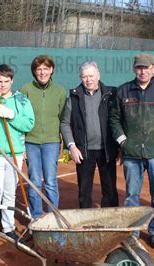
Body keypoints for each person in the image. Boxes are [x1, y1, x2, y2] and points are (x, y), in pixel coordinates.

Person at [110, 53, 154, 249]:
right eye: (139, 67)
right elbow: (114, 119)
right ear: (134, 69)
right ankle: (134, 232)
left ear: (153, 69)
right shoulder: (123, 91)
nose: (143, 71)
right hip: (132, 153)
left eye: (146, 68)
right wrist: (123, 141)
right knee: (132, 195)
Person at [0, 64, 34, 253]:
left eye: (6, 81)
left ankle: (9, 228)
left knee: (10, 193)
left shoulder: (21, 100)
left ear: (11, 81)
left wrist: (11, 116)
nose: (2, 85)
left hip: (15, 153)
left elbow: (28, 124)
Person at [60, 61, 119, 209]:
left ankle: (111, 219)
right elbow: (65, 123)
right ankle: (85, 222)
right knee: (84, 192)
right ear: (80, 78)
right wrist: (72, 146)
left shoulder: (112, 94)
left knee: (110, 190)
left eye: (91, 76)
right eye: (85, 76)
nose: (88, 80)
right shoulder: (74, 97)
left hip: (107, 150)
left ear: (98, 75)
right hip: (83, 151)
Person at [19, 55, 66, 219]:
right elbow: (19, 118)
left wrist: (65, 145)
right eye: (39, 69)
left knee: (51, 181)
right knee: (34, 182)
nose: (42, 72)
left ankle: (53, 216)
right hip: (30, 143)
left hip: (51, 143)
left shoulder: (60, 91)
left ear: (51, 70)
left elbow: (63, 119)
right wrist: (21, 144)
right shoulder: (24, 90)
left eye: (45, 69)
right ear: (34, 71)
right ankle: (37, 216)